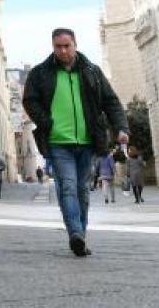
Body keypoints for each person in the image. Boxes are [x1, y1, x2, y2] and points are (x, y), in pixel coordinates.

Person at [23, 28, 128, 257]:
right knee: (68, 186)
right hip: (58, 141)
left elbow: (111, 102)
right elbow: (29, 101)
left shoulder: (92, 71)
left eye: (66, 46)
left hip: (87, 141)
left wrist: (121, 128)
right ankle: (75, 234)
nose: (62, 51)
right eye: (57, 47)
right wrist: (46, 121)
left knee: (82, 190)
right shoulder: (41, 73)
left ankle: (81, 233)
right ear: (53, 47)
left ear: (75, 44)